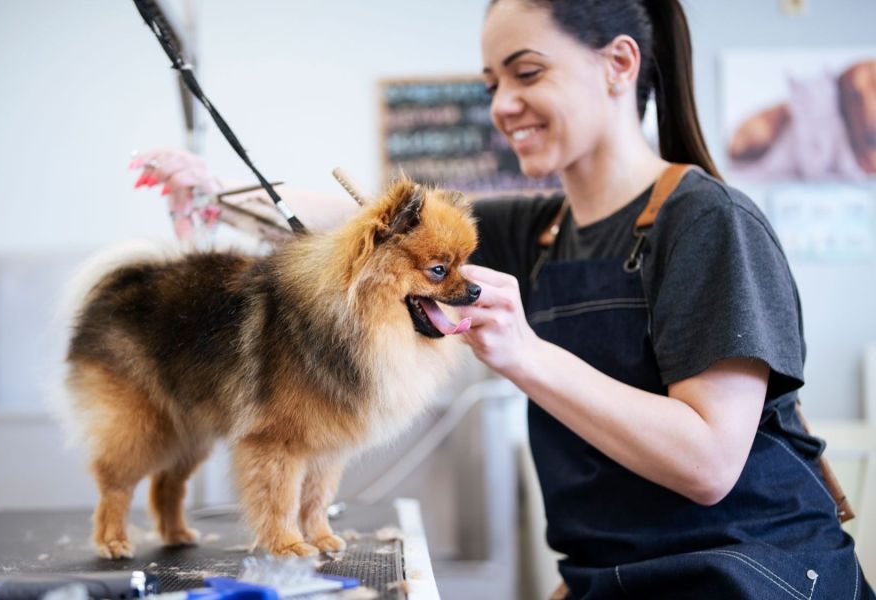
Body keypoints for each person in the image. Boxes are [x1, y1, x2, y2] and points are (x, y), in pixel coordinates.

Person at [132, 1, 875, 597]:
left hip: (752, 577)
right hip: (612, 579)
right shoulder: (543, 228)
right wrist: (214, 190)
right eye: (492, 84)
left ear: (619, 63)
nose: (501, 106)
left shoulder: (709, 222)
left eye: (525, 73)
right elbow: (356, 228)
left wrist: (526, 355)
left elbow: (709, 462)